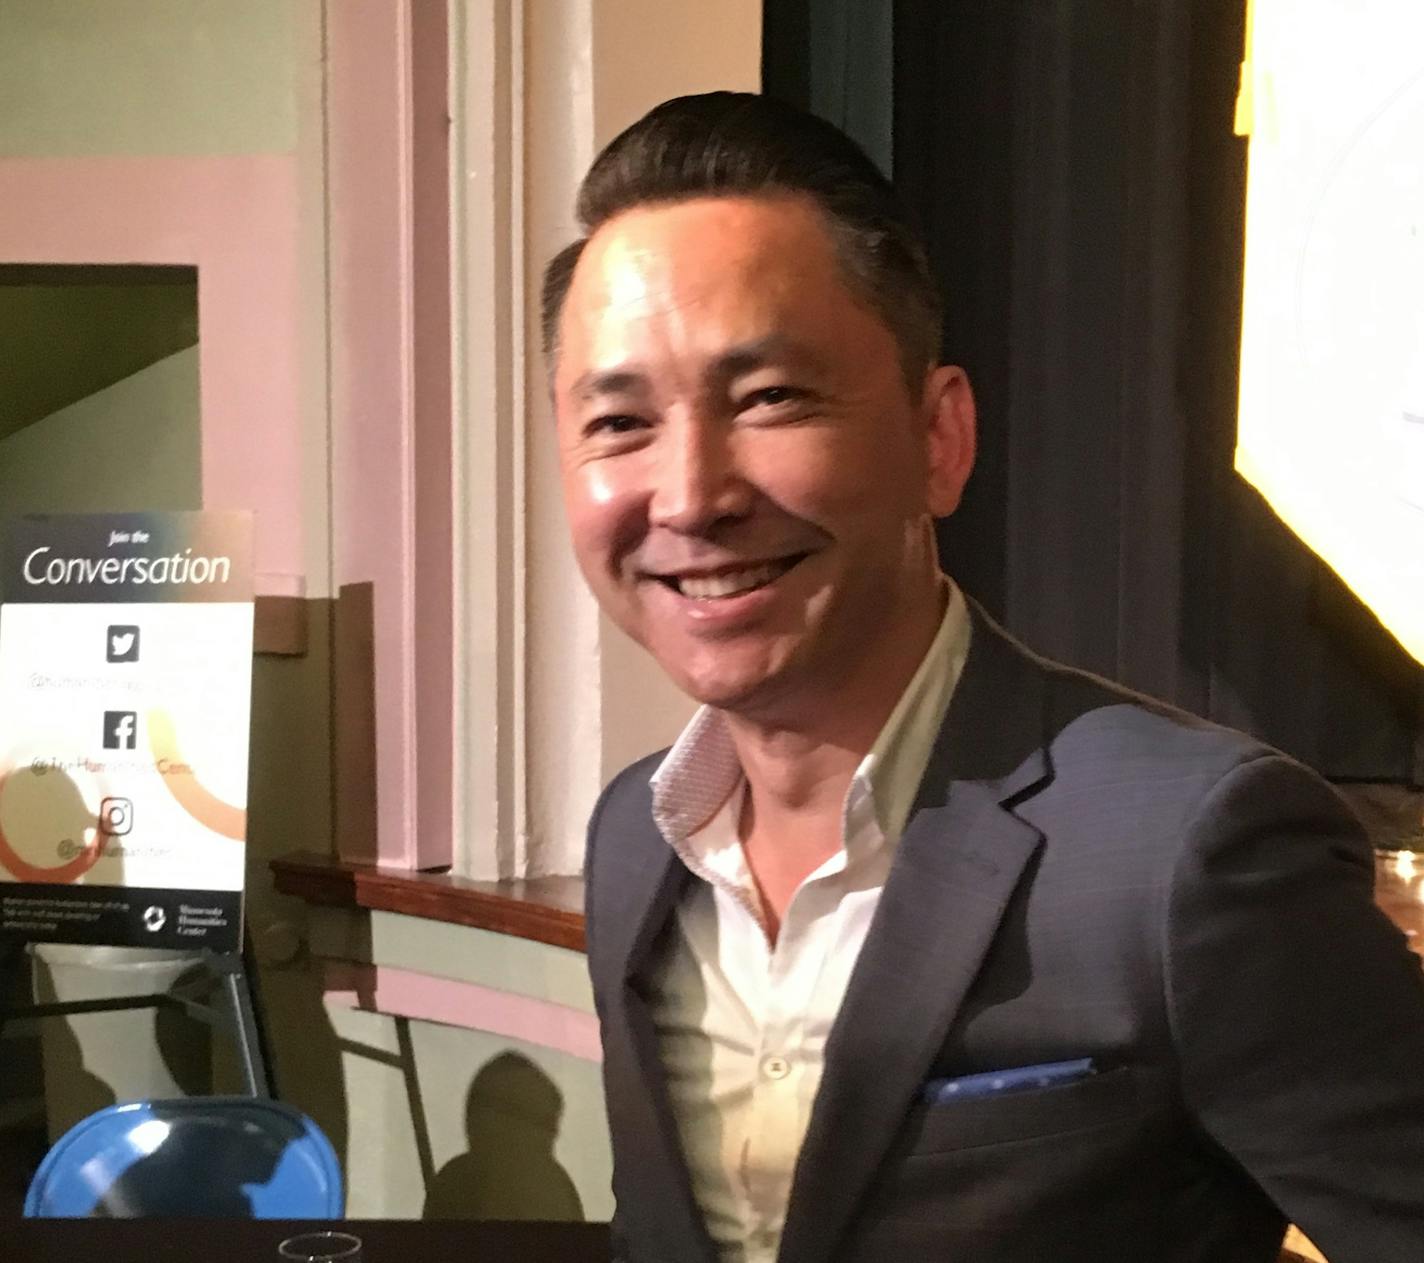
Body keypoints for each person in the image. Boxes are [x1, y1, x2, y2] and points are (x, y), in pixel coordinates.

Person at [542, 91, 1424, 1263]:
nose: (693, 493)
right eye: (618, 422)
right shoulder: (632, 840)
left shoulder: (1185, 853)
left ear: (938, 436)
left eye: (769, 398)